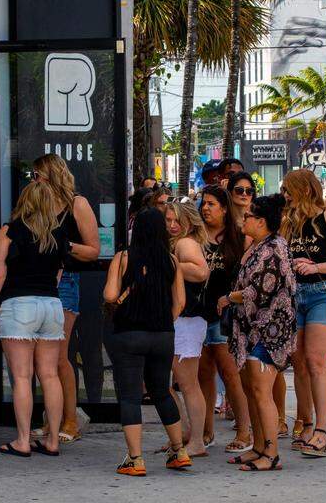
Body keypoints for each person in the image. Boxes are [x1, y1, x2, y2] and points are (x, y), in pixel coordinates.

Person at [0, 181, 69, 457]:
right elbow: (59, 272)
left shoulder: (10, 230)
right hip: (52, 305)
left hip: (19, 305)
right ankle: (53, 440)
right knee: (50, 375)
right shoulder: (58, 232)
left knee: (21, 377)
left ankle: (22, 440)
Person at [106, 208, 192, 476]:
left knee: (131, 397)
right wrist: (163, 321)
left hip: (129, 334)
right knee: (161, 391)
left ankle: (135, 459)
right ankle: (178, 451)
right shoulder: (171, 261)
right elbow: (180, 303)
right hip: (163, 336)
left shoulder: (123, 257)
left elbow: (110, 295)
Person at [218, 193, 297, 471]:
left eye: (249, 215)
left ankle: (271, 453)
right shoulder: (259, 246)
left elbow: (261, 290)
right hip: (252, 329)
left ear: (261, 221)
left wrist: (230, 297)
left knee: (262, 392)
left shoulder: (273, 248)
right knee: (253, 389)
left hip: (269, 330)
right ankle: (261, 446)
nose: (244, 218)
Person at [29, 154, 100, 443]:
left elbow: (93, 250)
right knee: (40, 359)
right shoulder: (37, 206)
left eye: (37, 176)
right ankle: (52, 420)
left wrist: (63, 245)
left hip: (67, 281)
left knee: (59, 356)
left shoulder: (76, 204)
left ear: (50, 175)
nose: (33, 182)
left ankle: (70, 420)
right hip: (38, 282)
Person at [282, 169, 326, 458]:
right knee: (299, 363)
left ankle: (322, 431)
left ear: (304, 190)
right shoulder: (288, 223)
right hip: (295, 293)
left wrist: (315, 266)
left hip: (325, 292)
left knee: (316, 361)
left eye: (289, 190)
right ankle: (306, 423)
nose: (285, 195)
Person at [198, 184, 252, 454]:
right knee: (203, 374)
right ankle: (206, 431)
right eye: (203, 203)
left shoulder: (237, 237)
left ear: (223, 209)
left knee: (230, 373)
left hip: (226, 313)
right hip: (198, 311)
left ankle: (244, 430)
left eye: (211, 204)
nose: (205, 208)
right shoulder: (194, 236)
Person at [164, 201, 210, 458]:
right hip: (182, 320)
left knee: (188, 384)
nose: (171, 225)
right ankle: (183, 435)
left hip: (187, 320)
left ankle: (196, 441)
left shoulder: (185, 243)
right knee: (168, 382)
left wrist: (166, 266)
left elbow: (200, 271)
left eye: (176, 221)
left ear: (189, 222)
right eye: (168, 219)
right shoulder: (179, 242)